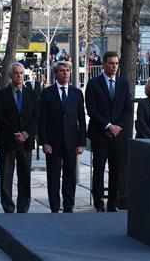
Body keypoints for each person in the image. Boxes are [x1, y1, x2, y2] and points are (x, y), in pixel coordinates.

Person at [85, 51, 132, 212]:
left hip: (118, 135)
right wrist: (107, 126)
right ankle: (98, 203)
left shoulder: (123, 83)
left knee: (116, 170)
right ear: (104, 64)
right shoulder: (93, 83)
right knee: (98, 169)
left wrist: (117, 127)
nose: (114, 66)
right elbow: (91, 109)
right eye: (111, 63)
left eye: (117, 63)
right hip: (100, 134)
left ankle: (113, 203)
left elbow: (127, 109)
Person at [38, 61, 86, 213]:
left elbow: (82, 120)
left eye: (67, 70)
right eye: (61, 71)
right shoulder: (47, 93)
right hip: (53, 143)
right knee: (53, 177)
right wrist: (44, 142)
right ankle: (54, 207)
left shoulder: (77, 93)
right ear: (55, 74)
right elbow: (42, 120)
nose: (65, 73)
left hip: (71, 142)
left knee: (70, 176)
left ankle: (68, 205)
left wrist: (81, 143)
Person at [0, 62, 38, 213]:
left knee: (24, 176)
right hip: (8, 141)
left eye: (21, 73)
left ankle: (23, 207)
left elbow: (35, 117)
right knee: (6, 176)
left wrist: (26, 134)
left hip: (26, 143)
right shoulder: (1, 94)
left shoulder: (31, 94)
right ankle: (8, 207)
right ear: (10, 75)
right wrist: (15, 134)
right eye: (16, 73)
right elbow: (0, 118)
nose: (19, 75)